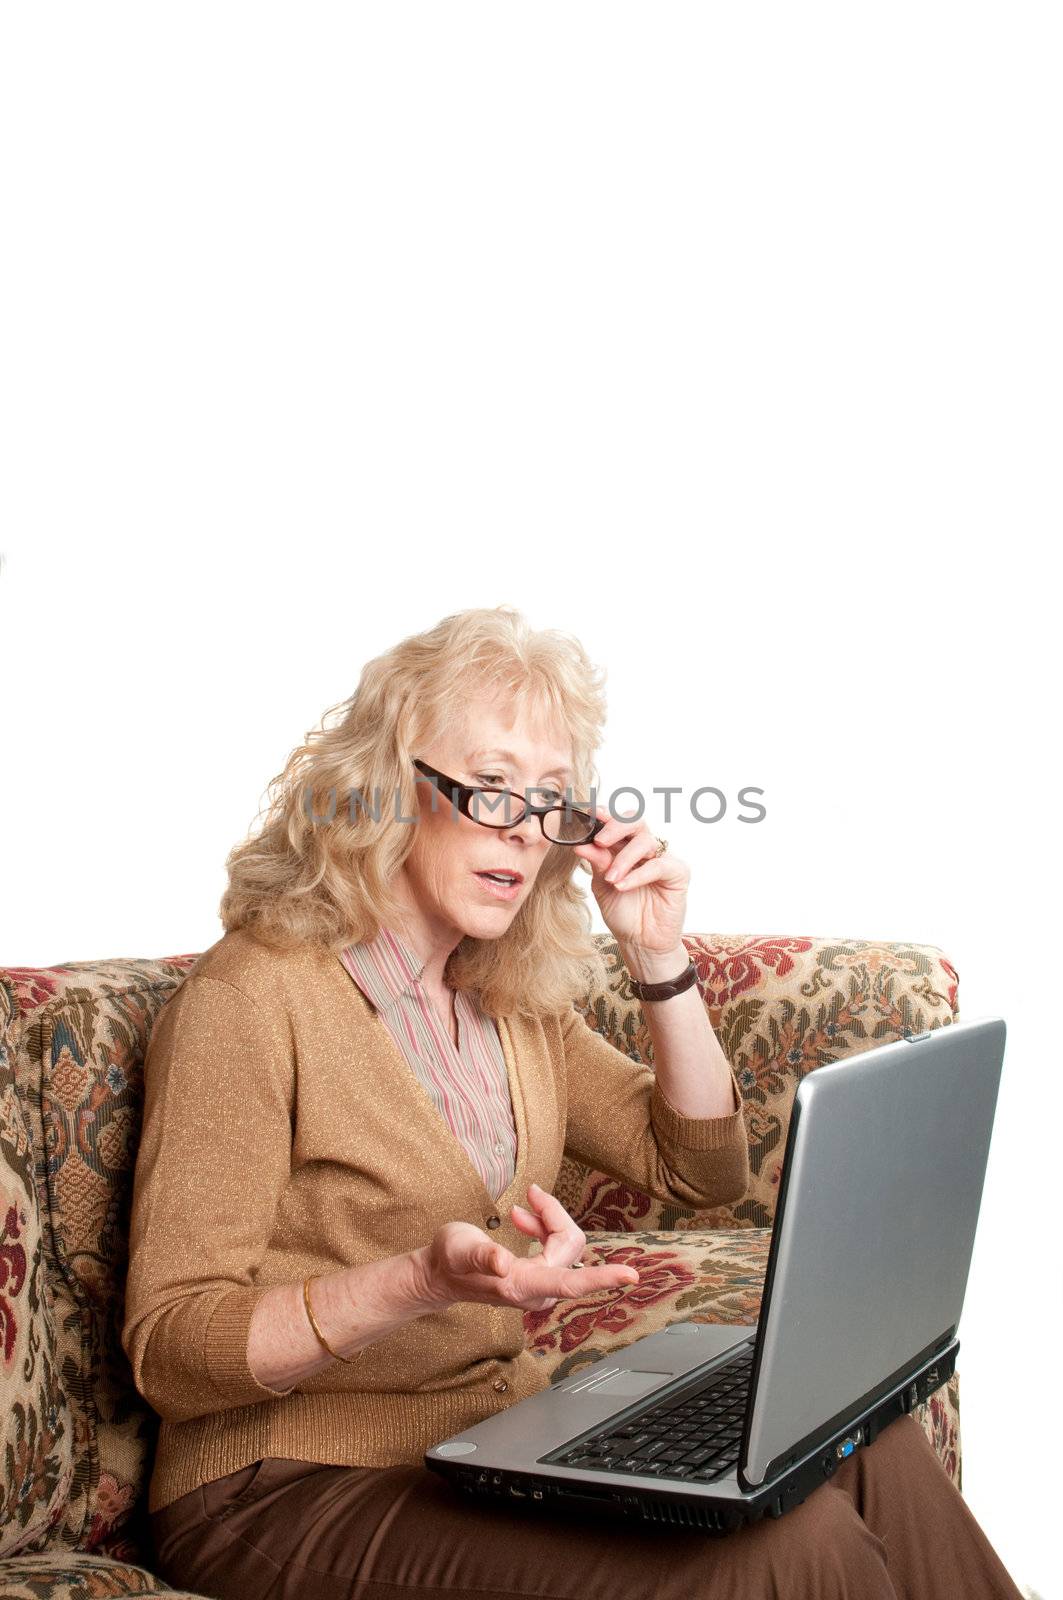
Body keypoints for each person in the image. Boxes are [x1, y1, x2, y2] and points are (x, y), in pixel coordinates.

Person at [123, 605, 1023, 1600]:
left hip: (478, 1445)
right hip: (275, 1487)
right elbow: (171, 1351)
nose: (525, 831)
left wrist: (654, 952)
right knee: (791, 1550)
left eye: (550, 800)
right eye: (491, 787)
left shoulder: (502, 997)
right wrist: (414, 1281)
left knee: (866, 1448)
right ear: (384, 788)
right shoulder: (251, 997)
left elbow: (698, 1168)